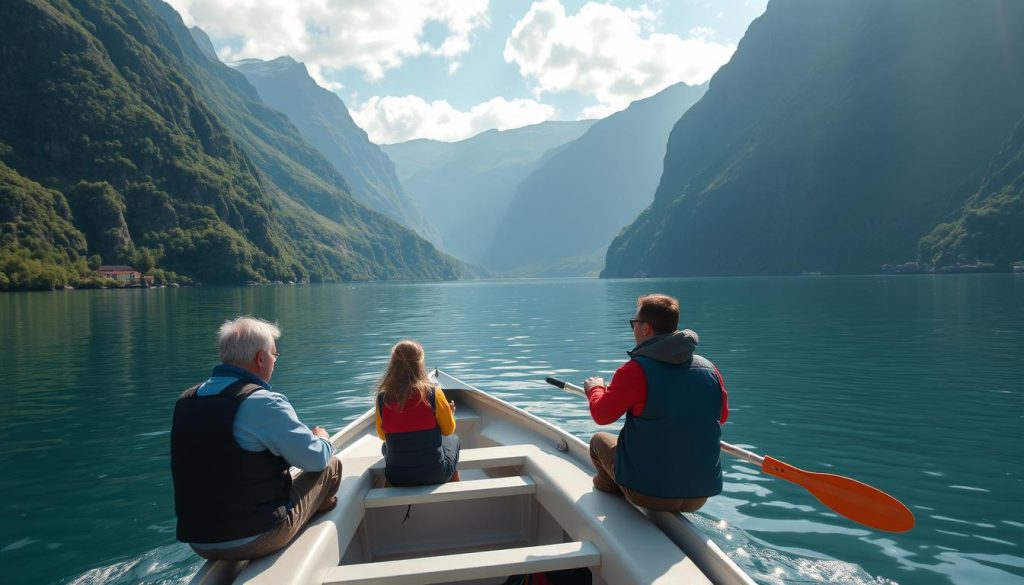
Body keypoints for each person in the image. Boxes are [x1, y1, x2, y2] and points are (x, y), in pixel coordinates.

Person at [170, 316, 342, 561]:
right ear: (260, 358)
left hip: (198, 541)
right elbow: (315, 460)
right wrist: (323, 438)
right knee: (330, 465)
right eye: (274, 355)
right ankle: (308, 520)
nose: (275, 360)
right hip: (256, 535)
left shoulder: (186, 400)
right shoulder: (263, 402)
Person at [584, 294, 729, 513]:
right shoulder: (710, 369)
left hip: (646, 493)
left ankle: (610, 489)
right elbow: (722, 417)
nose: (633, 329)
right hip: (700, 495)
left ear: (646, 329)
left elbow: (601, 416)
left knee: (598, 441)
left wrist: (595, 389)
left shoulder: (634, 371)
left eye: (634, 323)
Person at [375, 340, 460, 486]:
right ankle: (456, 494)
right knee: (453, 439)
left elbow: (383, 435)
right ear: (420, 363)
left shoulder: (383, 398)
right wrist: (449, 413)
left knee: (386, 446)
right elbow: (448, 430)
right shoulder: (433, 393)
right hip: (435, 473)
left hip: (396, 476)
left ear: (393, 365)